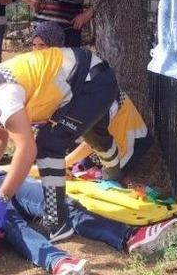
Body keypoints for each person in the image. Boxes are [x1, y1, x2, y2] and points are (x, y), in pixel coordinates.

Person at [0, 47, 119, 239]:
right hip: (84, 79)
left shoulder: (0, 97)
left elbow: (27, 149)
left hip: (92, 84)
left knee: (48, 146)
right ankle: (115, 173)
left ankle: (57, 222)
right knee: (97, 138)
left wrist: (3, 197)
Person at [0, 170, 177, 275]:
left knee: (60, 203)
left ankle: (130, 237)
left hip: (0, 175)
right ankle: (58, 262)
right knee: (11, 224)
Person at [29, 21, 150, 181]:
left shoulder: (77, 77)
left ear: (55, 48)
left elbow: (94, 133)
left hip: (128, 142)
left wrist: (66, 162)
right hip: (103, 138)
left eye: (42, 45)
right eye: (34, 45)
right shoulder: (62, 69)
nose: (37, 51)